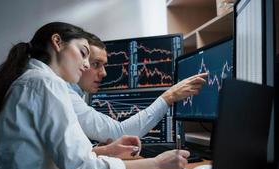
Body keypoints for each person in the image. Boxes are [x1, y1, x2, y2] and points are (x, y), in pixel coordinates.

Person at [0, 22, 192, 169]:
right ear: (57, 43)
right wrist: (158, 165)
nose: (85, 65)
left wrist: (105, 151)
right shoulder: (45, 84)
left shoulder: (33, 81)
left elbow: (55, 156)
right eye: (83, 54)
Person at [69, 33, 208, 154]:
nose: (104, 73)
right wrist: (169, 96)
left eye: (104, 65)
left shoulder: (73, 94)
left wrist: (102, 150)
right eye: (96, 64)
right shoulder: (68, 97)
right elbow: (119, 133)